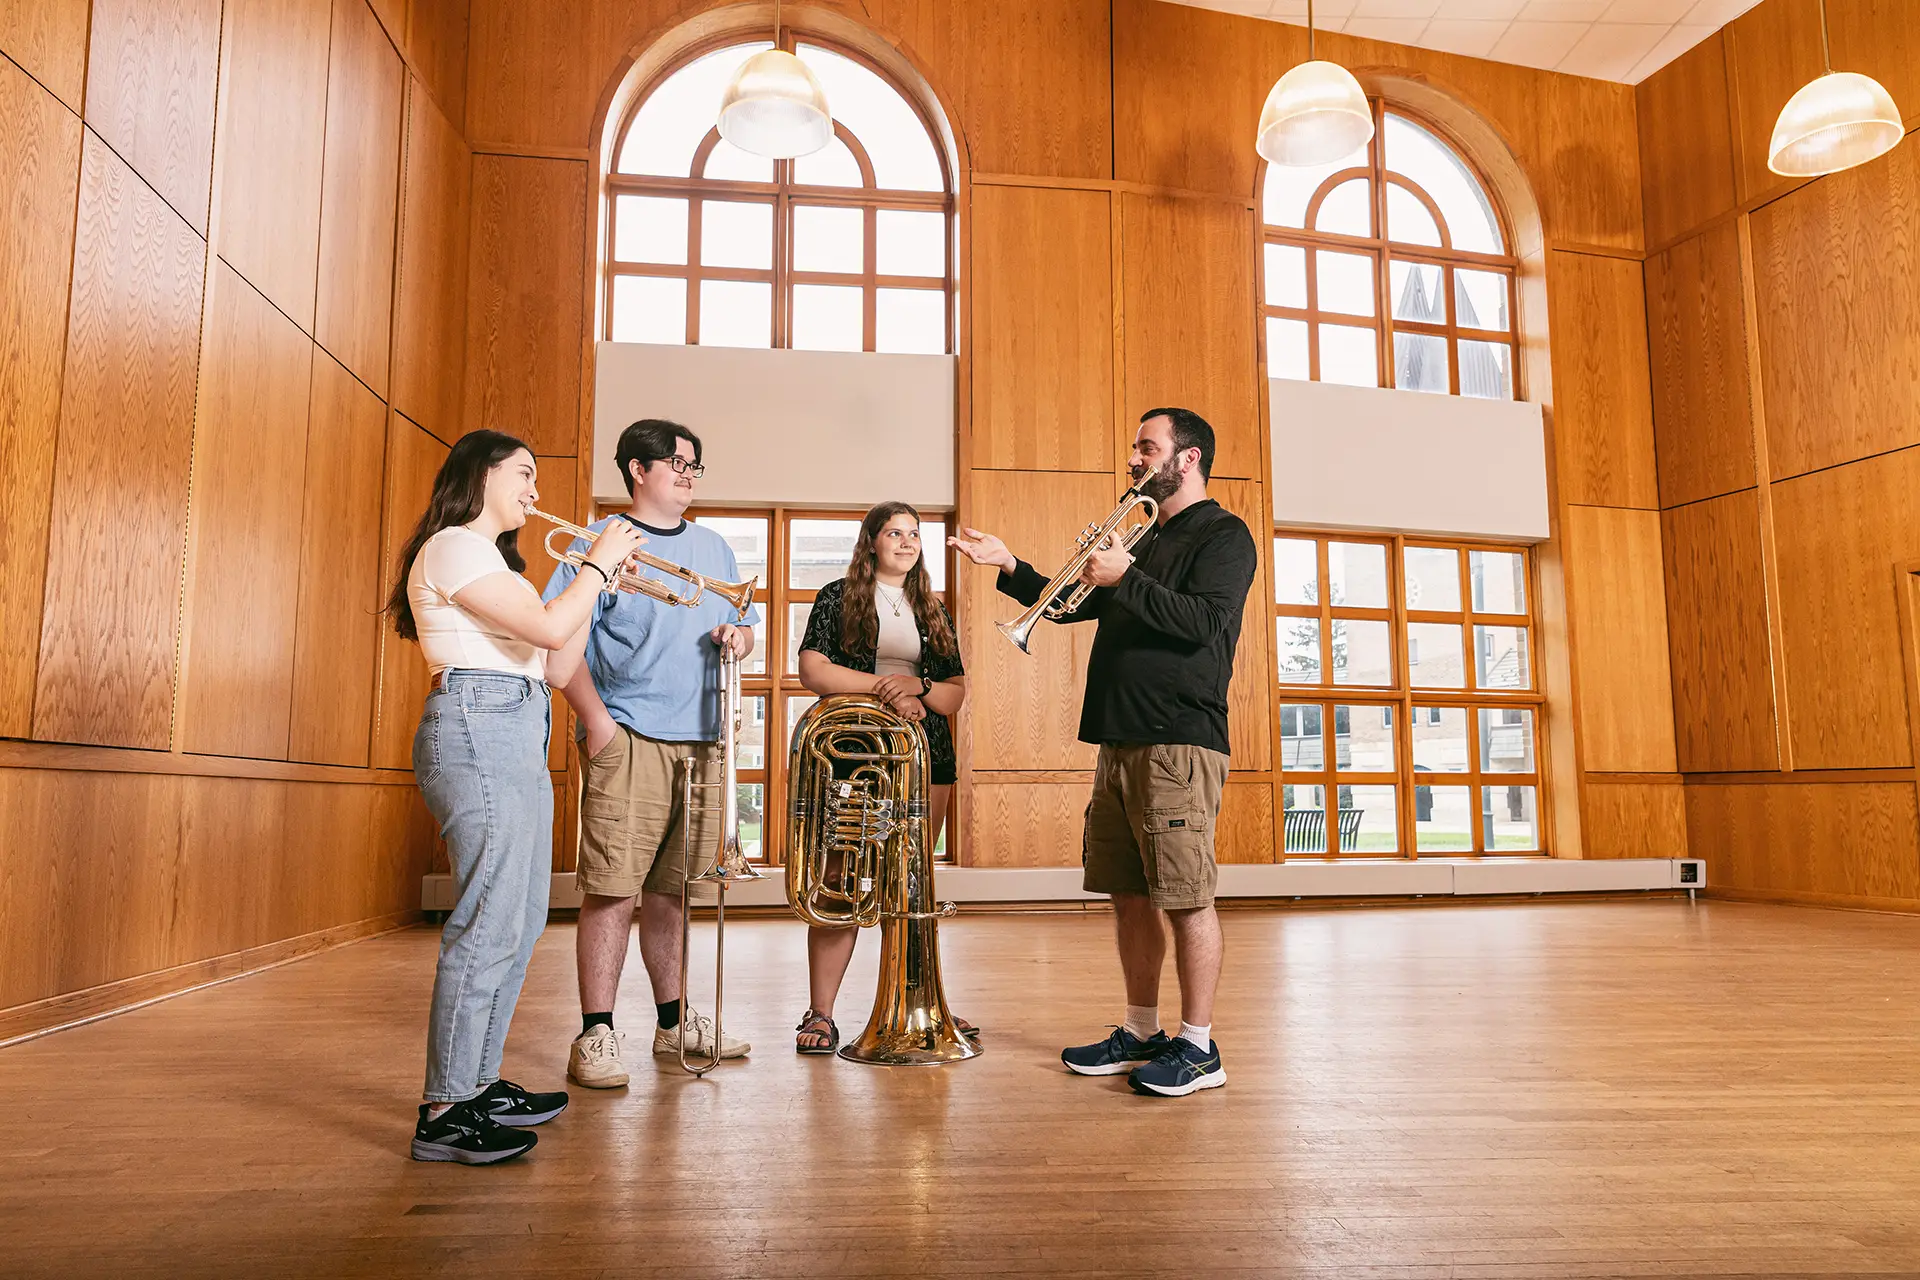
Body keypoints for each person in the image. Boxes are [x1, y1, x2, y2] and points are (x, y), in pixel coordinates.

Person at [950, 407, 1256, 1098]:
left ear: (1187, 459)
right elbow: (1065, 604)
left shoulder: (1224, 535)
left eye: (1147, 447)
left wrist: (1129, 578)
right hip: (1119, 738)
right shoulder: (1142, 540)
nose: (1133, 459)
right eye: (1134, 447)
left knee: (1186, 897)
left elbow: (1208, 624)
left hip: (1179, 738)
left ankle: (1200, 1047)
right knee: (1128, 894)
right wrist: (1010, 566)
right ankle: (1142, 1030)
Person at [389, 429, 646, 1163]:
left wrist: (596, 589)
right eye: (525, 474)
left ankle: (475, 1082)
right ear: (482, 474)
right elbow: (543, 625)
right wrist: (594, 565)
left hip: (514, 721)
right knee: (489, 919)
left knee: (523, 915)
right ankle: (445, 1108)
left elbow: (558, 656)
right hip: (477, 723)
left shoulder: (498, 565)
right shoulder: (453, 545)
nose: (536, 491)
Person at [544, 419, 761, 1089]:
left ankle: (675, 1023)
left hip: (702, 737)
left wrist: (739, 637)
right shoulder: (596, 542)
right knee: (612, 890)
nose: (690, 474)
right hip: (629, 735)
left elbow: (745, 628)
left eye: (696, 465)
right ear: (638, 469)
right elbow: (559, 637)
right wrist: (597, 723)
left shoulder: (716, 549)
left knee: (673, 892)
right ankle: (597, 1033)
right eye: (678, 463)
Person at [792, 502, 972, 1054]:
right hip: (854, 754)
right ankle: (821, 1013)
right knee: (841, 879)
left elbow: (954, 691)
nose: (907, 541)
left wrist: (916, 689)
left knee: (912, 877)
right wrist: (885, 687)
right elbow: (813, 670)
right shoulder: (836, 596)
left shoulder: (932, 608)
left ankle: (918, 1006)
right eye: (894, 532)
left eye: (914, 533)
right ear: (871, 541)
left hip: (926, 754)